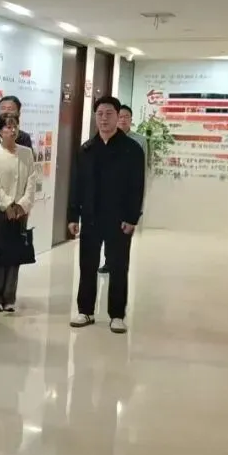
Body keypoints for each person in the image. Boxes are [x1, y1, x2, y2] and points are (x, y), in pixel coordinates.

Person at [67, 96, 145, 333]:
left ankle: (117, 315)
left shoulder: (132, 149)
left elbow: (137, 186)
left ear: (118, 116)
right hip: (91, 216)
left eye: (109, 113)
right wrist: (73, 216)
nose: (104, 118)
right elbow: (76, 184)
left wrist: (132, 218)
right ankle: (85, 311)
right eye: (100, 114)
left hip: (119, 219)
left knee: (119, 267)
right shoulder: (86, 149)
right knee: (87, 265)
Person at [0, 113, 37, 312]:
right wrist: (7, 205)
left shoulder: (26, 153)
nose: (12, 130)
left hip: (20, 210)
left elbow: (31, 180)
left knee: (15, 252)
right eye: (8, 127)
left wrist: (22, 205)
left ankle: (9, 297)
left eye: (15, 126)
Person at [101, 104, 148, 273]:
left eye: (126, 117)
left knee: (124, 236)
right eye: (120, 116)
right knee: (108, 231)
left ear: (131, 119)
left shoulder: (139, 141)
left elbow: (142, 172)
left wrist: (139, 204)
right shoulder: (107, 138)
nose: (122, 120)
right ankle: (108, 261)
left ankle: (119, 265)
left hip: (128, 196)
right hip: (109, 197)